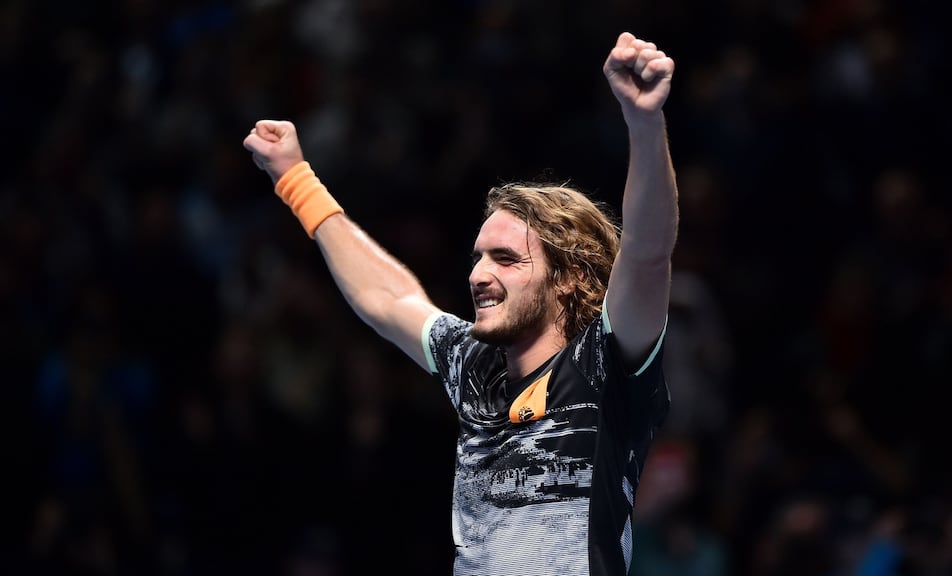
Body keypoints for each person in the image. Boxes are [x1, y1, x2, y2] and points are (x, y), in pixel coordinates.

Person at [243, 31, 679, 576]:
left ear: (568, 278)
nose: (478, 274)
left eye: (505, 258)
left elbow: (646, 252)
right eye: (477, 258)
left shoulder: (605, 366)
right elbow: (389, 297)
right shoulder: (474, 366)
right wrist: (295, 179)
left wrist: (643, 121)